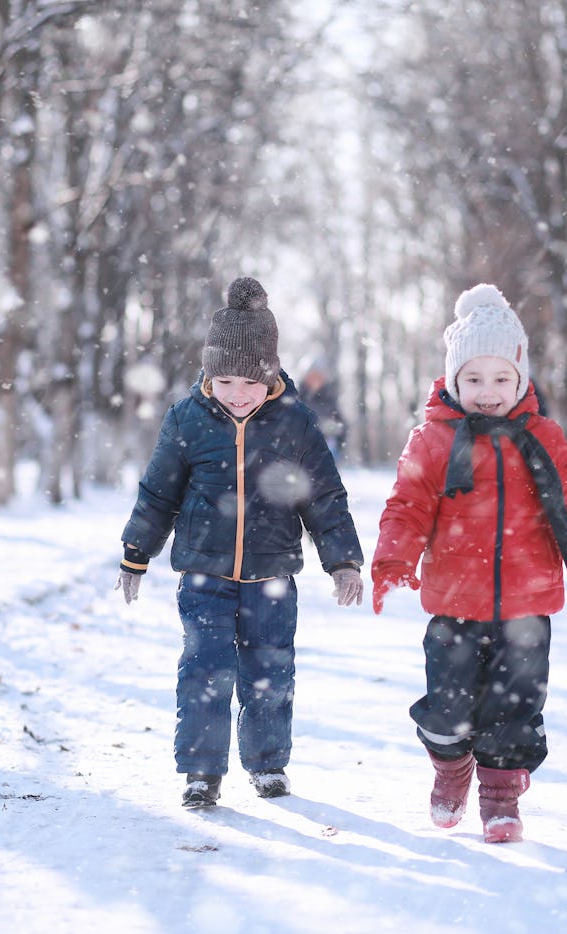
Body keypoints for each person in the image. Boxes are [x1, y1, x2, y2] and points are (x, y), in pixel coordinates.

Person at [370, 283, 567, 843]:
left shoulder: (540, 437)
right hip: (453, 604)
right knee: (447, 709)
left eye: (501, 378)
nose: (488, 392)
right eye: (473, 379)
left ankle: (500, 801)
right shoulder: (432, 442)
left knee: (514, 711)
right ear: (452, 380)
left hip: (527, 607)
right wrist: (391, 561)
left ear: (520, 377)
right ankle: (450, 768)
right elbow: (406, 507)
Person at [116, 276, 366, 809]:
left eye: (249, 382)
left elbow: (324, 495)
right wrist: (136, 553)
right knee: (205, 668)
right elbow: (158, 492)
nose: (236, 393)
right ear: (209, 374)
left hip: (272, 574)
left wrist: (342, 560)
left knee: (270, 671)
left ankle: (268, 763)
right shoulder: (188, 419)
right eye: (224, 380)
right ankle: (202, 772)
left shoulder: (295, 423)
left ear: (270, 375)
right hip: (203, 574)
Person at [297, 356, 348, 461]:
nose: (315, 380)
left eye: (319, 376)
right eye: (312, 376)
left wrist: (334, 431)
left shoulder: (329, 400)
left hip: (325, 452)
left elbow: (343, 427)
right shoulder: (296, 398)